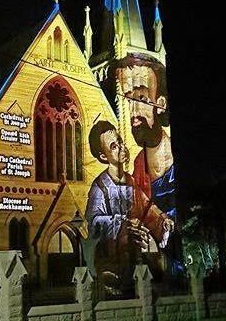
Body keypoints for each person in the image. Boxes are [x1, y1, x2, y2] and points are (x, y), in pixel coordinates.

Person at [84, 121, 173, 284]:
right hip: (111, 254)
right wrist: (122, 223)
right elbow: (94, 221)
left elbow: (147, 206)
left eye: (120, 142)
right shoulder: (100, 186)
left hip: (136, 249)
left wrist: (163, 219)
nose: (121, 148)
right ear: (103, 156)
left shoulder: (131, 181)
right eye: (113, 146)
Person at [116, 59, 181, 273]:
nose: (133, 112)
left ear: (161, 103)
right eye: (128, 100)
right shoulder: (137, 166)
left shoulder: (172, 164)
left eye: (142, 99)